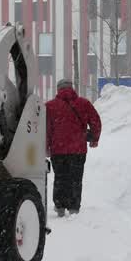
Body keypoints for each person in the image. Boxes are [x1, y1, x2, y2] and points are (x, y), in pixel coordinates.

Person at [45, 78, 102, 216]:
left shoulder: (50, 106)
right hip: (78, 149)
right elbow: (96, 121)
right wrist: (94, 138)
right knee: (76, 179)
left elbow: (45, 129)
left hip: (58, 150)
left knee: (60, 178)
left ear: (58, 90)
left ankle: (60, 207)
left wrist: (46, 146)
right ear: (72, 88)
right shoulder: (83, 103)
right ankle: (74, 207)